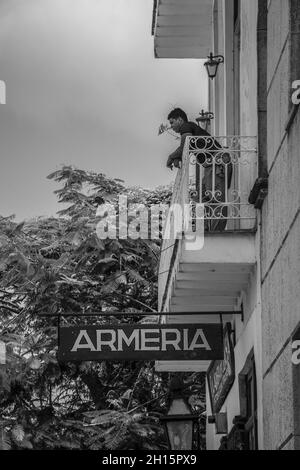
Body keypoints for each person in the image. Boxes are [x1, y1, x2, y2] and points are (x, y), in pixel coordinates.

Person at [166, 108, 232, 231]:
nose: (171, 126)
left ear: (180, 119)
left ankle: (217, 231)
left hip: (217, 163)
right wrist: (176, 158)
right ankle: (205, 229)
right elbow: (186, 149)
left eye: (172, 122)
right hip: (211, 165)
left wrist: (171, 157)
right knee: (199, 198)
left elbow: (184, 146)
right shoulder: (190, 129)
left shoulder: (186, 126)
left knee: (216, 198)